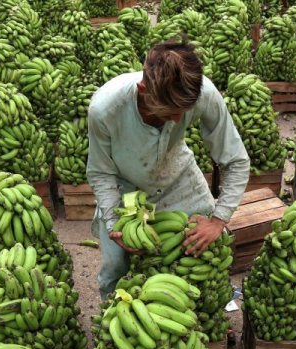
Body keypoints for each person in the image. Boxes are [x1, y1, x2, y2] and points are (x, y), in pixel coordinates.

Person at [86, 36, 250, 300]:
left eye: (183, 111)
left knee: (206, 251)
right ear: (143, 89)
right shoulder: (105, 110)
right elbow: (100, 172)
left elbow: (236, 159)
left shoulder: (202, 93)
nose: (176, 119)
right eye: (169, 111)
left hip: (179, 178)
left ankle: (206, 316)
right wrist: (114, 222)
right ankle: (112, 321)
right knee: (116, 264)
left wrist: (219, 219)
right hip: (128, 189)